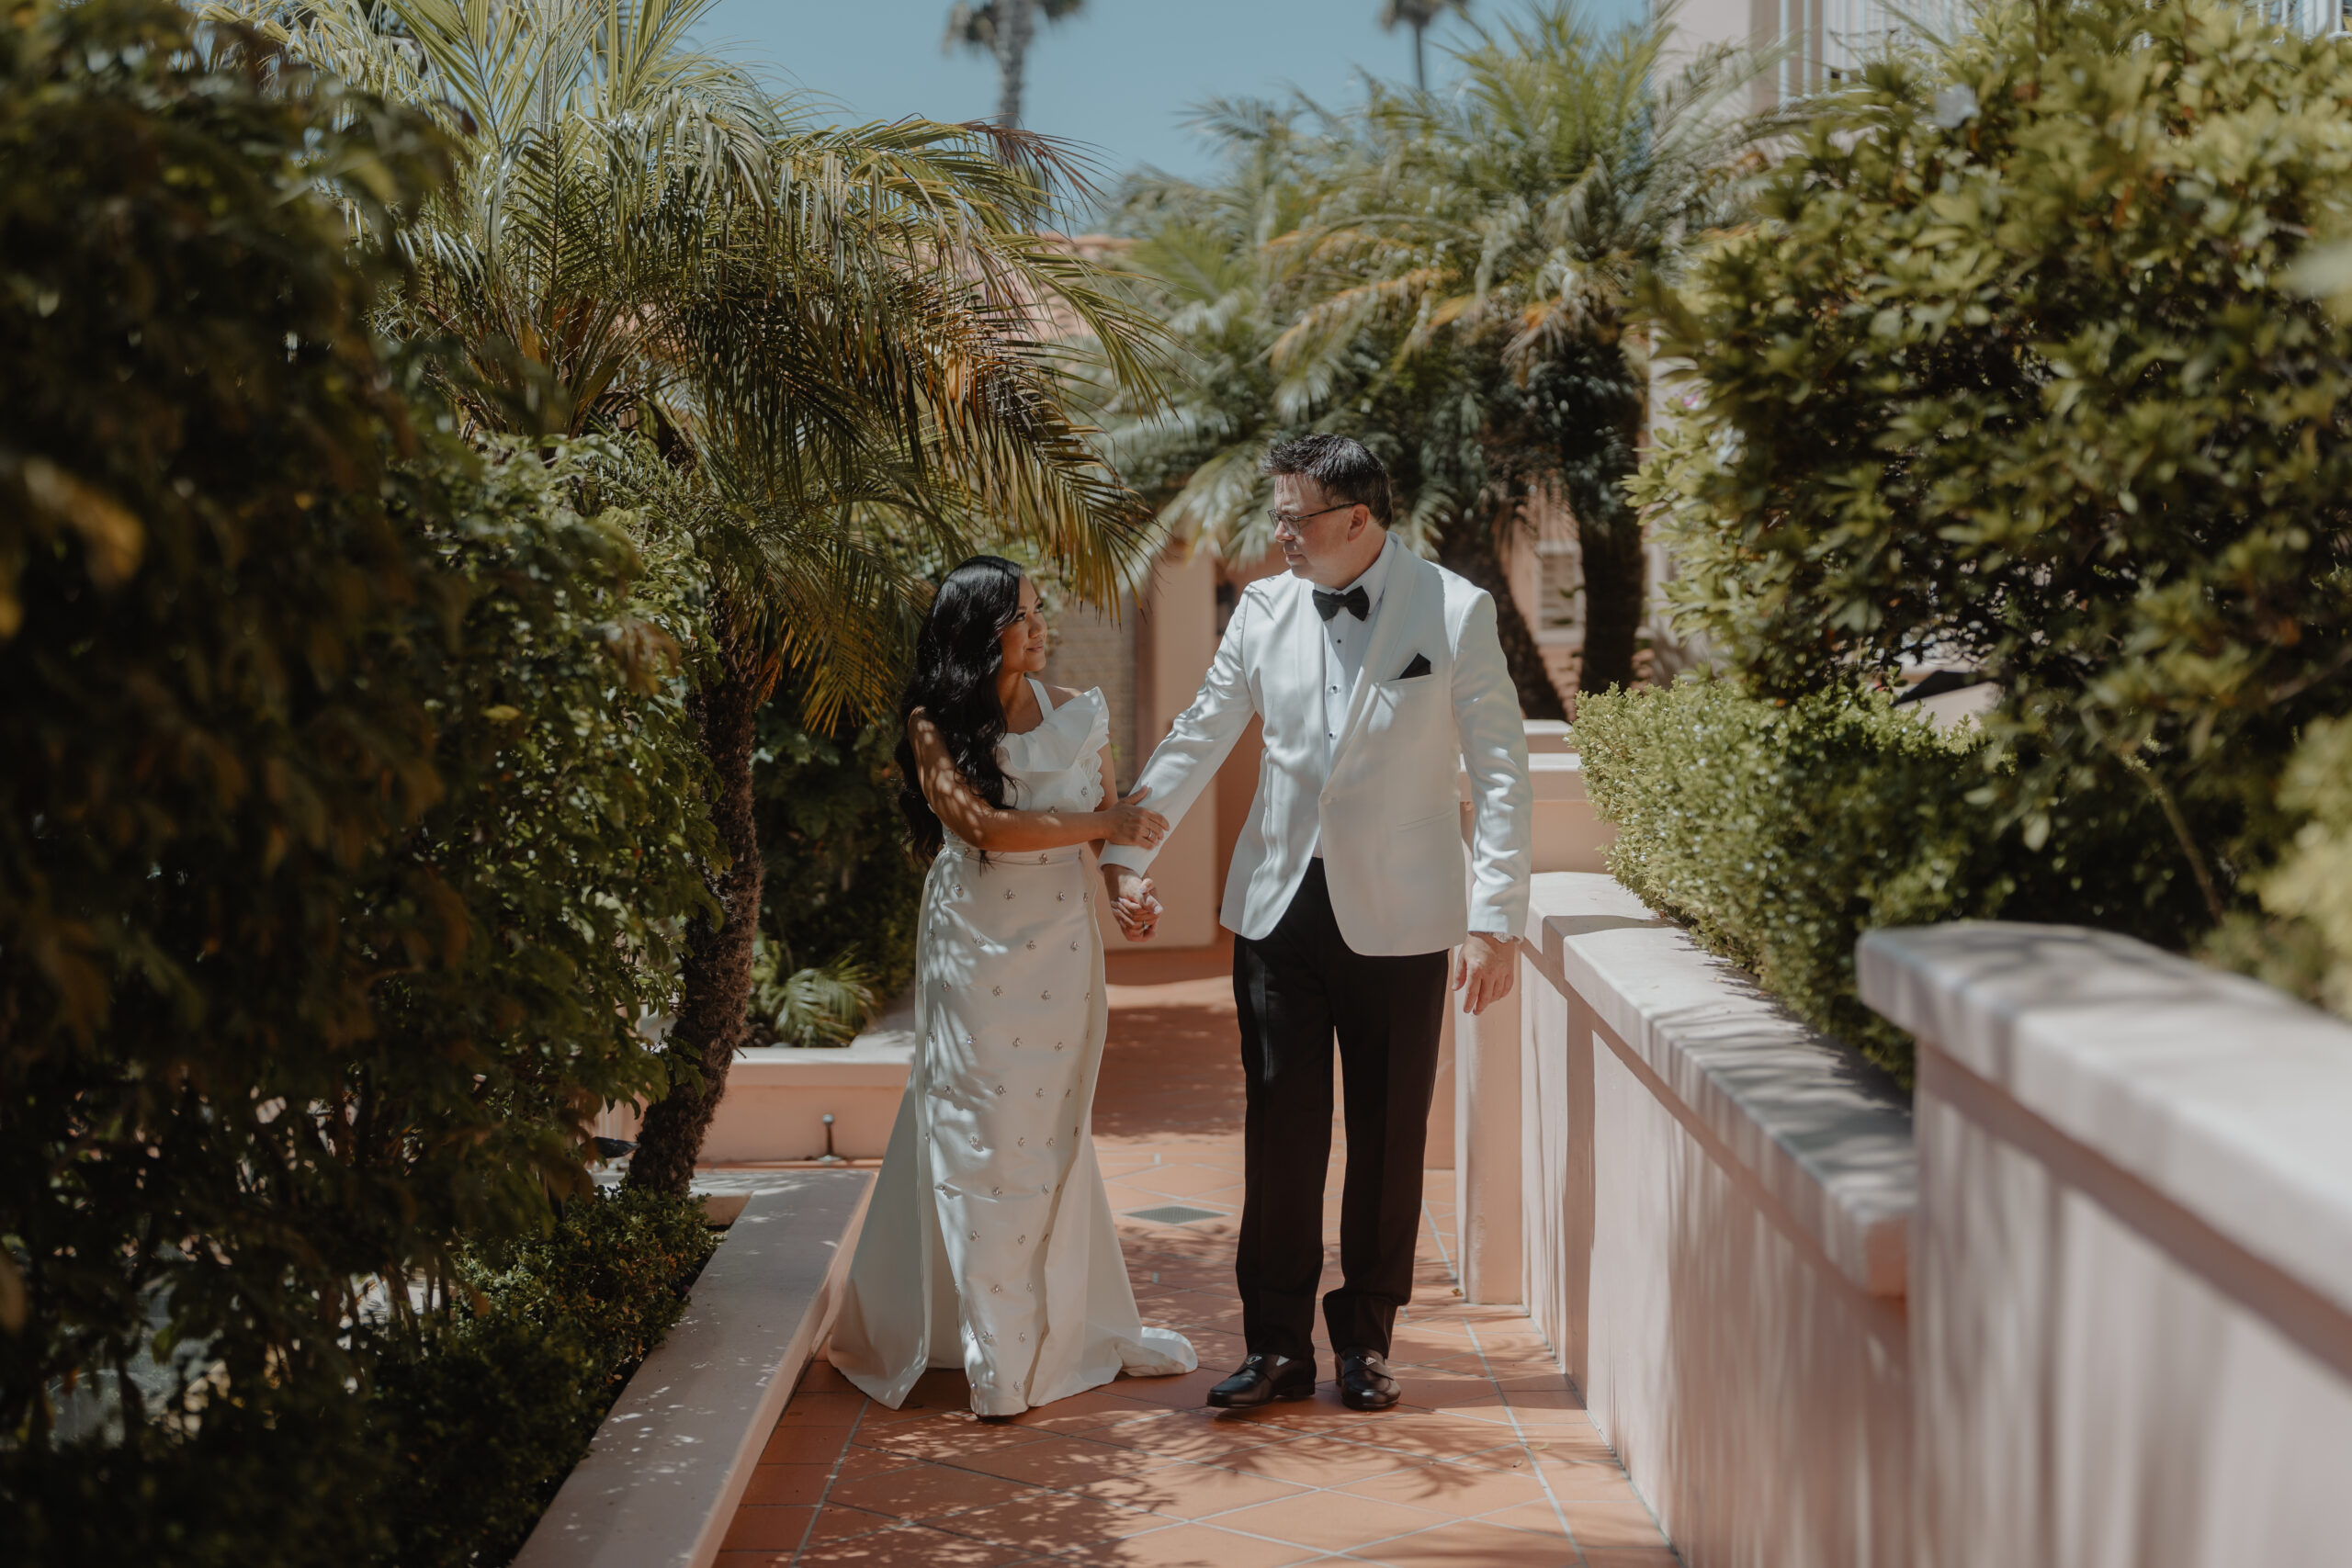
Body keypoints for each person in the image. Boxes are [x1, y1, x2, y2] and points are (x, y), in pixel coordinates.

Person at [1100, 435, 1532, 1413]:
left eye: (1294, 518)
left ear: (1357, 520)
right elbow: (1200, 732)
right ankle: (1276, 1347)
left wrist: (1495, 917)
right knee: (1279, 1133)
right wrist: (1130, 850)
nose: (1279, 534)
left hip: (1407, 916)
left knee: (1387, 1141)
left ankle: (1368, 1343)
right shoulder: (1260, 609)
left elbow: (1500, 772)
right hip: (1278, 908)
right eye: (1278, 516)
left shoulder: (1454, 610)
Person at [829, 556, 1197, 1417]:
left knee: (1041, 1128)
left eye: (1038, 611)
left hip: (1061, 951)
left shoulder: (1082, 713)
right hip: (971, 945)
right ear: (978, 631)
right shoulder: (933, 723)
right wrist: (1108, 823)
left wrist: (1127, 893)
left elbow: (1108, 855)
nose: (1039, 627)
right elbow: (979, 824)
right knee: (975, 1129)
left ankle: (1042, 1324)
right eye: (1022, 614)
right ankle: (995, 1352)